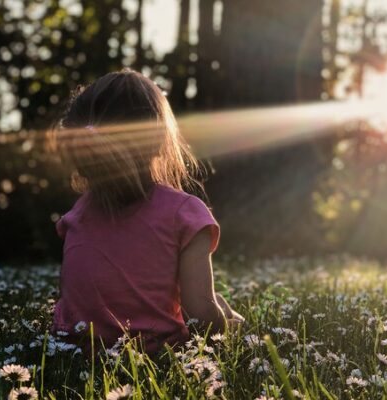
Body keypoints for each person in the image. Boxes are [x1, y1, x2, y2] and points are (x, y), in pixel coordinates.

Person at [48, 68, 245, 356]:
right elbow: (200, 316)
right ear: (156, 139)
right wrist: (231, 325)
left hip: (74, 353)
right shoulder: (184, 214)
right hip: (154, 358)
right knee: (220, 309)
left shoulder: (78, 214)